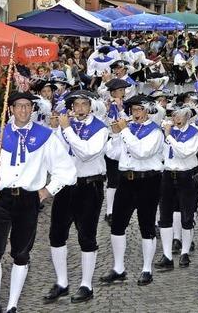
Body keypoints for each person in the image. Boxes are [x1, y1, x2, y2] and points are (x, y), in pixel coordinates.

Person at [0, 92, 77, 313]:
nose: (23, 110)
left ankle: (12, 305)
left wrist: (47, 191)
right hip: (1, 199)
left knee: (21, 253)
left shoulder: (45, 136)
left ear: (32, 109)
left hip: (28, 200)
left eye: (27, 106)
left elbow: (67, 170)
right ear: (10, 109)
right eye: (18, 106)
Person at [44, 91, 109, 304]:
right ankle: (61, 282)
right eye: (76, 104)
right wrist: (54, 130)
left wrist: (66, 129)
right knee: (57, 234)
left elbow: (87, 153)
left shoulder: (100, 127)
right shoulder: (66, 127)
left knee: (86, 236)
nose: (80, 108)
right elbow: (57, 153)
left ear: (90, 106)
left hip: (89, 185)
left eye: (84, 104)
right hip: (66, 185)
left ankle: (86, 285)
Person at [100, 95, 163, 287]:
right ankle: (118, 268)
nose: (135, 114)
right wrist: (117, 134)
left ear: (148, 111)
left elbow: (141, 152)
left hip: (148, 181)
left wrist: (125, 131)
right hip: (125, 181)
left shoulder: (155, 132)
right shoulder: (129, 129)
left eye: (139, 110)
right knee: (118, 225)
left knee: (146, 225)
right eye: (133, 110)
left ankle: (147, 269)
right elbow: (111, 154)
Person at [155, 105, 198, 270]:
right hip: (168, 175)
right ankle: (167, 255)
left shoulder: (193, 133)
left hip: (186, 176)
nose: (175, 120)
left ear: (187, 116)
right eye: (173, 116)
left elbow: (185, 152)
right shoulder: (167, 131)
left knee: (187, 216)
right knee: (165, 216)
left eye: (178, 116)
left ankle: (185, 253)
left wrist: (169, 136)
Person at [102, 78, 131, 226]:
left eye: (123, 90)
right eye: (120, 91)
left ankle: (120, 208)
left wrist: (121, 110)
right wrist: (108, 111)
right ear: (113, 93)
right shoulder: (108, 107)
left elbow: (129, 123)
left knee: (122, 180)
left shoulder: (126, 106)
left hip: (125, 146)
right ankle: (110, 211)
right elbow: (107, 125)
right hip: (113, 146)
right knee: (112, 180)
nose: (122, 93)